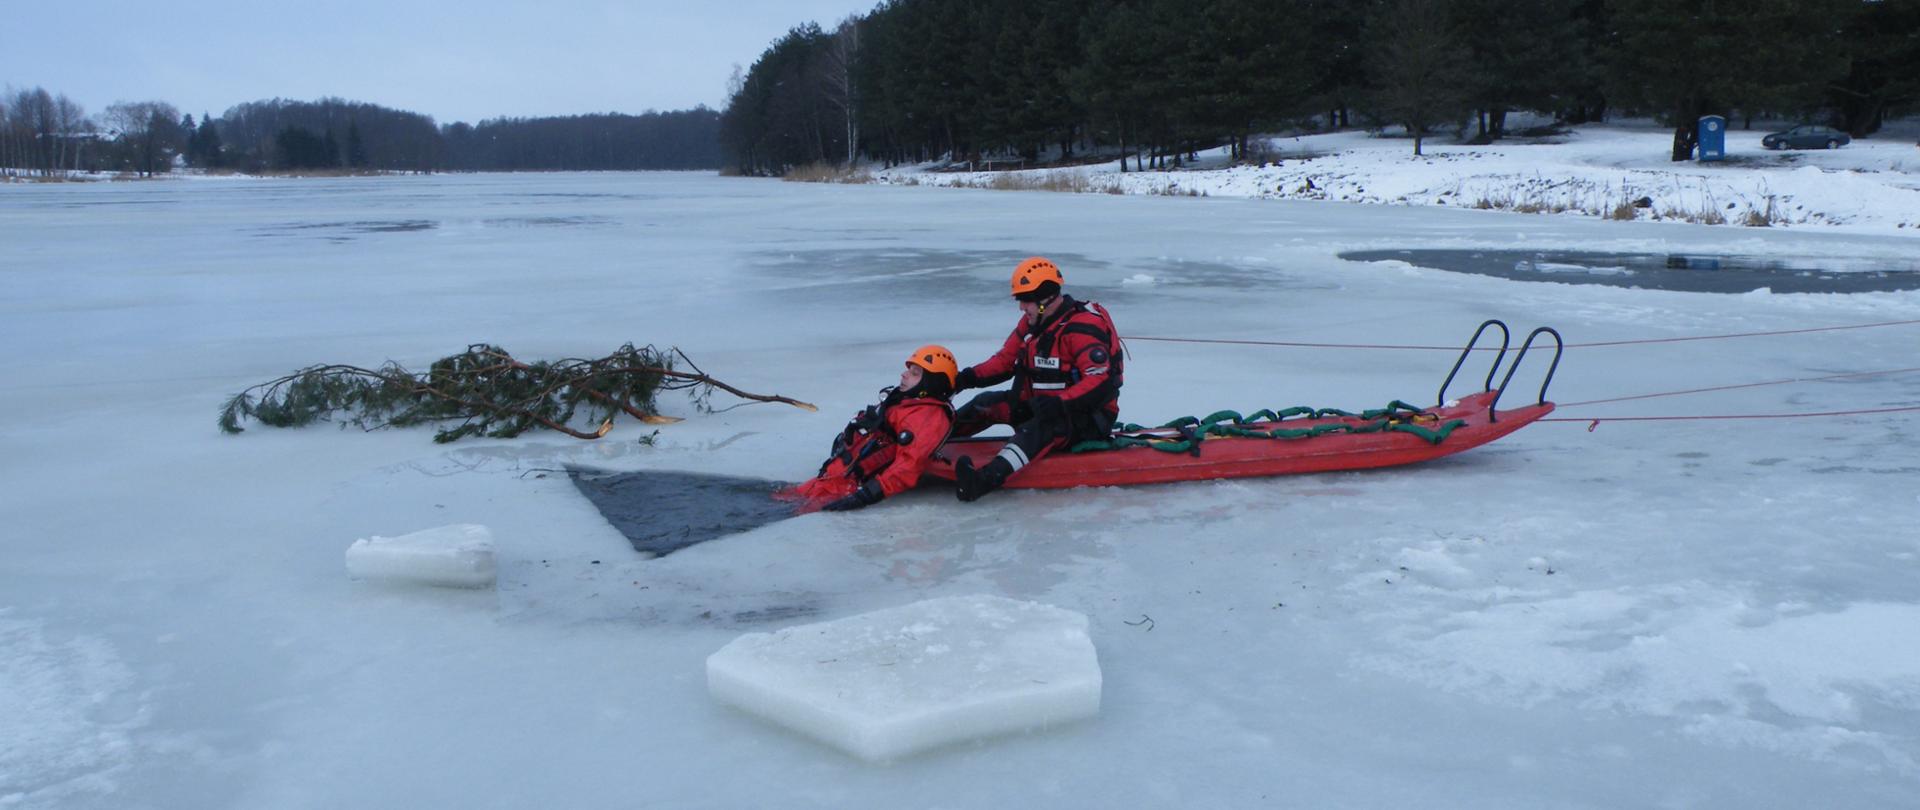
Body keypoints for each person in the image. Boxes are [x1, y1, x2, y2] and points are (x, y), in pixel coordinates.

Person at [949, 257, 1123, 501]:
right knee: (985, 403)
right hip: (1041, 406)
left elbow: (1100, 382)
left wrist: (1060, 403)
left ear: (1046, 298)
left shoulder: (1082, 328)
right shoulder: (1032, 323)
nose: (1021, 307)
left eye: (1026, 300)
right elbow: (1005, 361)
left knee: (1041, 427)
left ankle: (981, 481)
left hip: (1084, 418)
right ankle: (932, 440)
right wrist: (964, 379)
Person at [780, 345, 959, 512]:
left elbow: (908, 466)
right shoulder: (906, 402)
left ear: (930, 383)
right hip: (831, 480)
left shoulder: (927, 418)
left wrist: (865, 496)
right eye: (908, 369)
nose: (904, 375)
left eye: (915, 373)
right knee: (780, 501)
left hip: (842, 490)